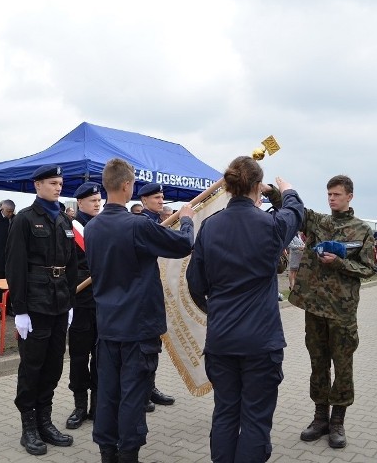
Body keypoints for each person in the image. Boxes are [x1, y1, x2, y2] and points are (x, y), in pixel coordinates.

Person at [186, 157, 303, 462]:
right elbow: (294, 214)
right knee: (255, 418)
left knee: (225, 412)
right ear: (256, 187)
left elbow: (195, 284)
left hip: (222, 339)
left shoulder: (210, 226)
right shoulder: (270, 225)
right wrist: (285, 190)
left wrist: (216, 311)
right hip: (260, 342)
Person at [84, 159, 194, 463]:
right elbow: (183, 245)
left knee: (108, 393)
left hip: (107, 325)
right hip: (137, 327)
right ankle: (128, 452)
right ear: (126, 186)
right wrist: (186, 219)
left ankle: (108, 451)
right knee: (133, 394)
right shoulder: (137, 225)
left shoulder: (92, 227)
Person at [289, 175, 375, 449]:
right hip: (315, 308)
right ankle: (319, 418)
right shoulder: (320, 222)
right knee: (318, 363)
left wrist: (340, 263)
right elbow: (297, 211)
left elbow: (369, 269)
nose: (332, 199)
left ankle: (337, 421)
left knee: (343, 364)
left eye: (337, 194)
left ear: (350, 196)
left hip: (342, 311)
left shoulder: (362, 230)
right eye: (329, 194)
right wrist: (277, 190)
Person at [6, 164, 78, 456]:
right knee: (32, 365)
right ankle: (29, 426)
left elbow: (71, 264)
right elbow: (15, 266)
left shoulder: (63, 219)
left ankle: (45, 421)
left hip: (60, 302)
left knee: (54, 364)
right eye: (52, 182)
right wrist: (20, 309)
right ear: (38, 185)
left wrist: (71, 301)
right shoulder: (24, 219)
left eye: (60, 183)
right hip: (35, 302)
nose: (58, 187)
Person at [136, 182, 177, 411]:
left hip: (156, 289)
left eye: (162, 197)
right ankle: (142, 391)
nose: (161, 201)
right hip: (143, 292)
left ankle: (150, 387)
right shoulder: (144, 223)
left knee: (155, 343)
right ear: (144, 201)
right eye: (156, 198)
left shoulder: (158, 222)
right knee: (146, 346)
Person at [66, 182, 101, 430]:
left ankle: (98, 406)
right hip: (80, 302)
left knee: (101, 358)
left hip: (103, 304)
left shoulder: (104, 225)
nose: (97, 204)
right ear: (80, 203)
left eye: (99, 200)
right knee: (79, 357)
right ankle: (79, 406)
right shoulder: (70, 228)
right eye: (92, 201)